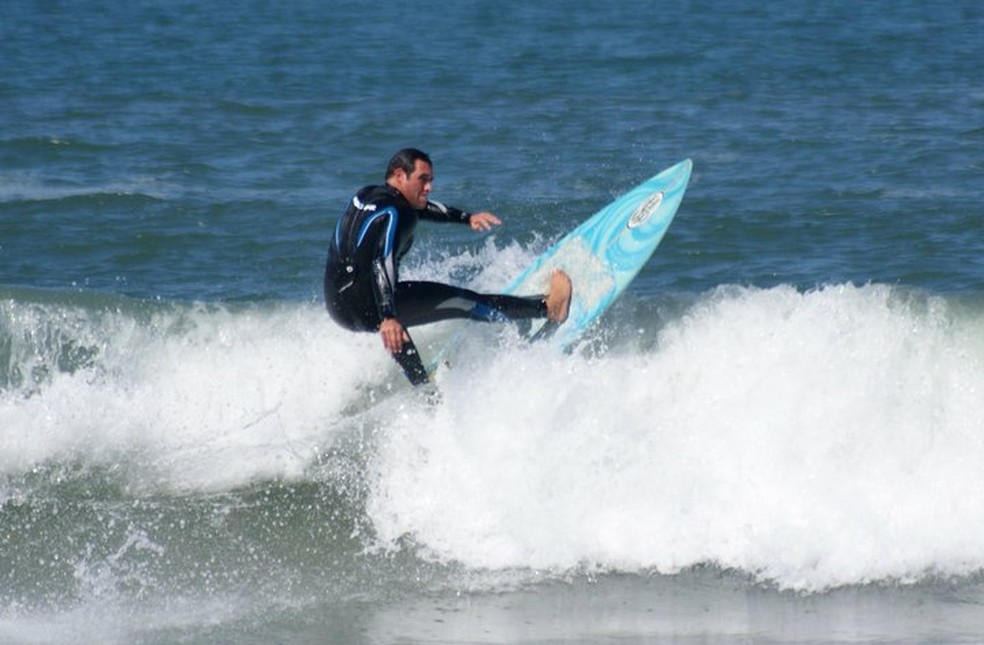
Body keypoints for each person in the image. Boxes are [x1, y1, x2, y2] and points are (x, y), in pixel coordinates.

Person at [324, 148, 572, 386]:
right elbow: (382, 259)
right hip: (372, 305)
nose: (429, 187)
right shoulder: (399, 214)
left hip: (339, 306)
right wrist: (387, 315)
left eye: (430, 180)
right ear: (400, 175)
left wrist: (466, 218)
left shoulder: (366, 196)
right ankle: (548, 308)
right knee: (466, 302)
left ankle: (423, 386)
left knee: (397, 312)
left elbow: (422, 208)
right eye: (423, 180)